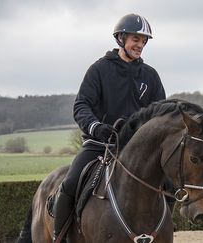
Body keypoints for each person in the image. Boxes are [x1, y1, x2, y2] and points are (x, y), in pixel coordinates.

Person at [53, 13, 166, 242]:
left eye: (144, 41)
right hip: (100, 144)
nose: (141, 45)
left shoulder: (150, 76)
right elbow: (81, 105)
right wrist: (96, 127)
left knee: (171, 184)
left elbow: (160, 113)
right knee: (70, 183)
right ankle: (59, 236)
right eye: (136, 39)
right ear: (121, 38)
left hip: (137, 149)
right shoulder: (99, 69)